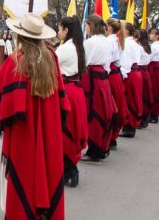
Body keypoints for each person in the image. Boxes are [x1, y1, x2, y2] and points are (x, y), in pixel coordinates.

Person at [0, 13, 68, 219]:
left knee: (25, 173)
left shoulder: (14, 62)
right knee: (48, 166)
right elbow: (62, 101)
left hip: (23, 132)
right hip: (49, 126)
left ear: (19, 35)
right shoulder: (51, 57)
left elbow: (5, 106)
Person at [55, 16, 87, 188]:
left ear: (66, 30)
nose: (58, 32)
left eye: (60, 29)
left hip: (67, 90)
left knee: (64, 129)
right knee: (72, 129)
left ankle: (69, 170)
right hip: (76, 90)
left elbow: (50, 64)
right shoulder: (78, 46)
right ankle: (70, 169)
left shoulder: (66, 48)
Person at [81, 14, 116, 164]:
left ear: (91, 25)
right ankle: (101, 147)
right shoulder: (107, 41)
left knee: (92, 113)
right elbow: (108, 63)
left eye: (86, 25)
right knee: (104, 111)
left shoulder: (90, 42)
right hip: (103, 77)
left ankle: (94, 150)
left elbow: (83, 62)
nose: (85, 28)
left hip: (92, 77)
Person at [106, 18, 129, 150]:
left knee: (110, 106)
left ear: (109, 27)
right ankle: (113, 136)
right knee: (117, 104)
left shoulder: (110, 41)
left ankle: (110, 136)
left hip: (110, 74)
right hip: (116, 73)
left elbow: (107, 60)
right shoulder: (117, 39)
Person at [118, 22, 143, 138]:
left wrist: (122, 74)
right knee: (134, 98)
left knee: (128, 99)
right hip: (135, 72)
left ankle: (129, 126)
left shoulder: (127, 43)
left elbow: (125, 61)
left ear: (126, 31)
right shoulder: (134, 43)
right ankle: (130, 126)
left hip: (129, 73)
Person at [135, 30, 153, 128]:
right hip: (145, 71)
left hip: (140, 70)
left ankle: (141, 118)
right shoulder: (147, 46)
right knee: (145, 95)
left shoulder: (139, 47)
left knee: (140, 96)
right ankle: (144, 118)